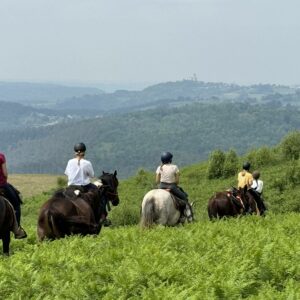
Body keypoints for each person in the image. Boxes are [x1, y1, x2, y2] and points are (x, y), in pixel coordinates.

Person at [64, 143, 110, 226]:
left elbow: (67, 173)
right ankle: (103, 217)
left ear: (75, 152)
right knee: (99, 193)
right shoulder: (87, 163)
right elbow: (92, 175)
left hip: (71, 187)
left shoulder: (70, 162)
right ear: (84, 152)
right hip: (84, 186)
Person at [0, 152, 27, 239]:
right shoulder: (1, 156)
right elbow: (5, 173)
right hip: (1, 185)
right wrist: (4, 181)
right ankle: (17, 230)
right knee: (16, 203)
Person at [155, 151, 189, 221]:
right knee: (185, 198)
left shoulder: (159, 168)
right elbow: (177, 182)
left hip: (161, 187)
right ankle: (183, 215)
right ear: (170, 160)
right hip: (172, 187)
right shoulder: (175, 167)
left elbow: (157, 181)